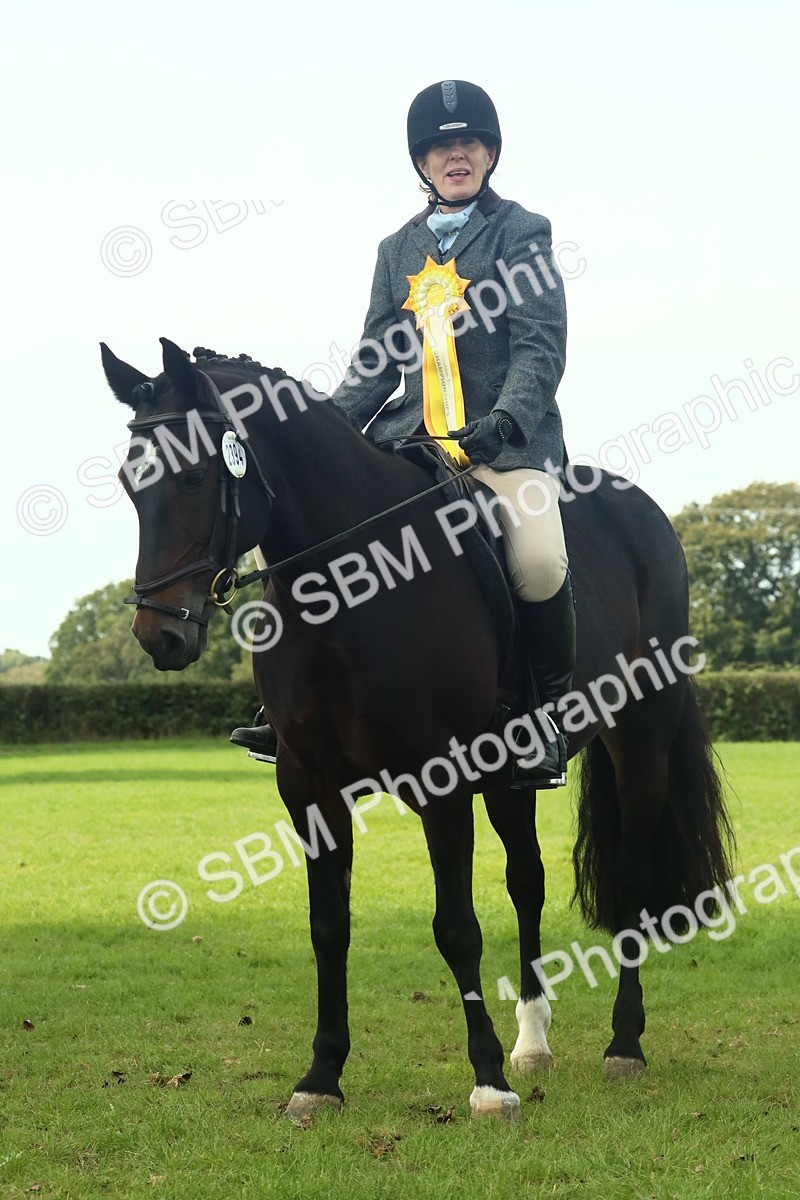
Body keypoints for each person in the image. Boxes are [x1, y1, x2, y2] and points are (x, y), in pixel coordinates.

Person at [232, 79, 575, 786]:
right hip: (409, 447)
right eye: (442, 146)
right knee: (319, 535)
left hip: (503, 446)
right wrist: (321, 435)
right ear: (422, 162)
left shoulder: (522, 231)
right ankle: (288, 707)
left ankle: (545, 716)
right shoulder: (397, 250)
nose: (457, 155)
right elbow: (374, 362)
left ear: (490, 153)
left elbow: (540, 346)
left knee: (539, 559)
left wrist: (505, 421)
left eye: (469, 143)